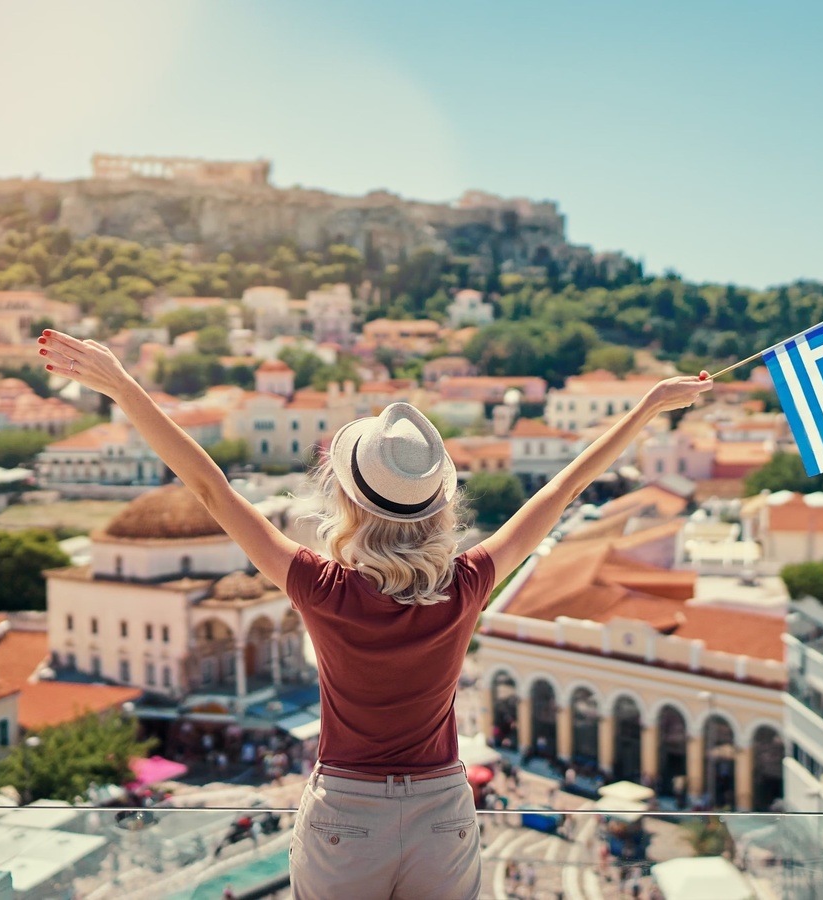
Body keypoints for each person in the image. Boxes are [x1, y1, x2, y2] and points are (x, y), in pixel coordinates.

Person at [36, 329, 711, 899]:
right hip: (443, 812)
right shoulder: (467, 583)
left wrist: (124, 387)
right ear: (436, 504)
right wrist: (650, 405)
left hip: (346, 812)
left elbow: (211, 488)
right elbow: (565, 488)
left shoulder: (322, 587)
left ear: (351, 501)